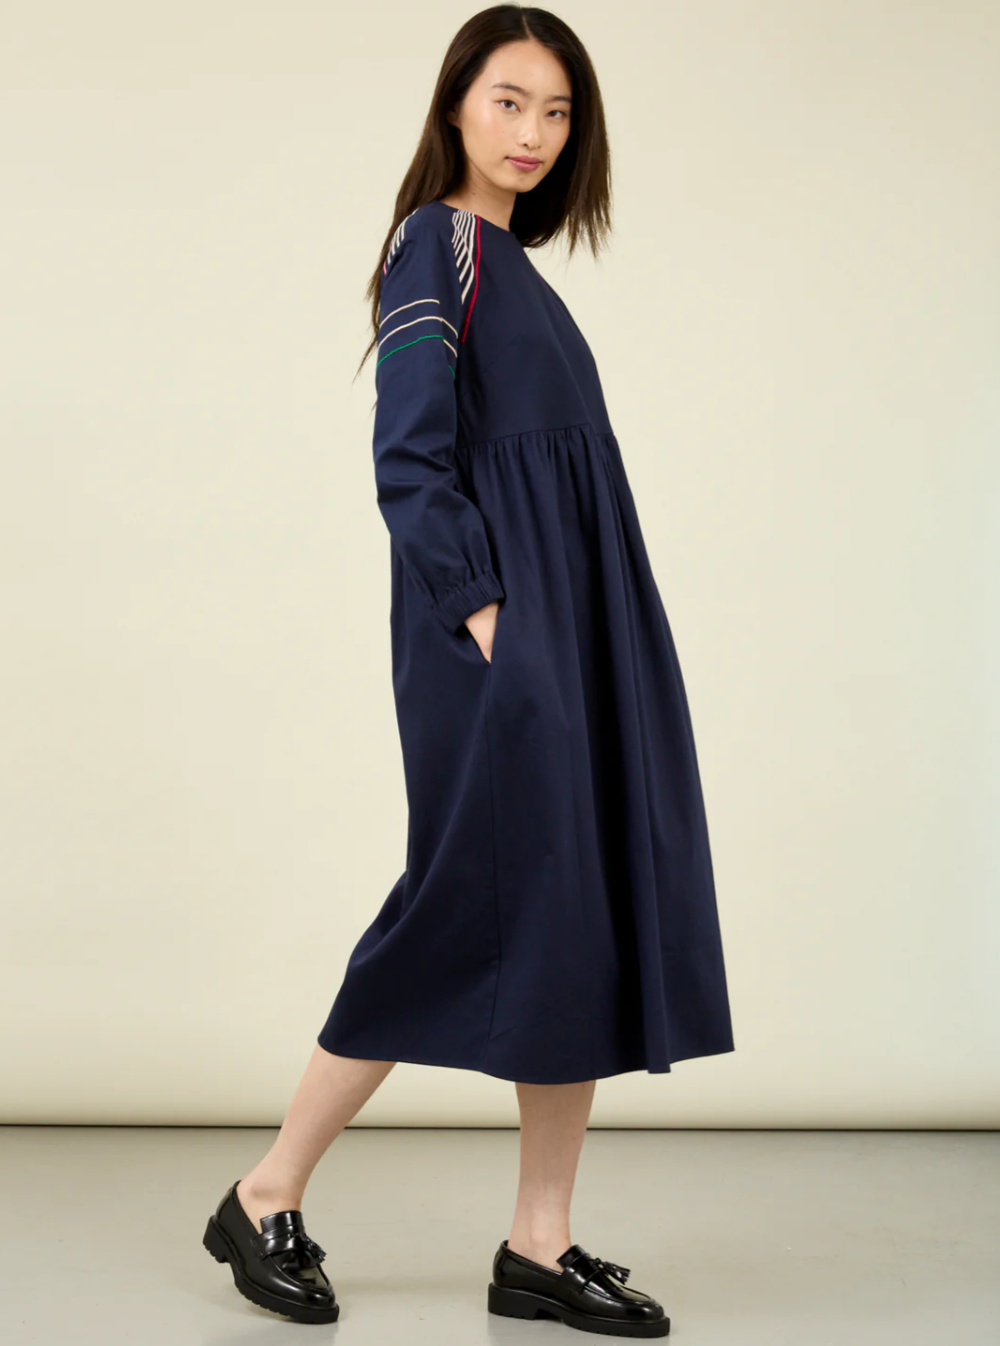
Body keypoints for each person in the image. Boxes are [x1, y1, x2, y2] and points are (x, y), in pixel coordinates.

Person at [203, 5, 734, 1335]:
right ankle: (264, 1187)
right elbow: (410, 455)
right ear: (455, 106)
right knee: (460, 900)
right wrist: (487, 617)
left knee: (579, 910)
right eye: (509, 103)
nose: (534, 134)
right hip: (504, 632)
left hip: (577, 624)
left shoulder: (513, 264)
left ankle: (537, 1243)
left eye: (557, 113)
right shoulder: (434, 245)